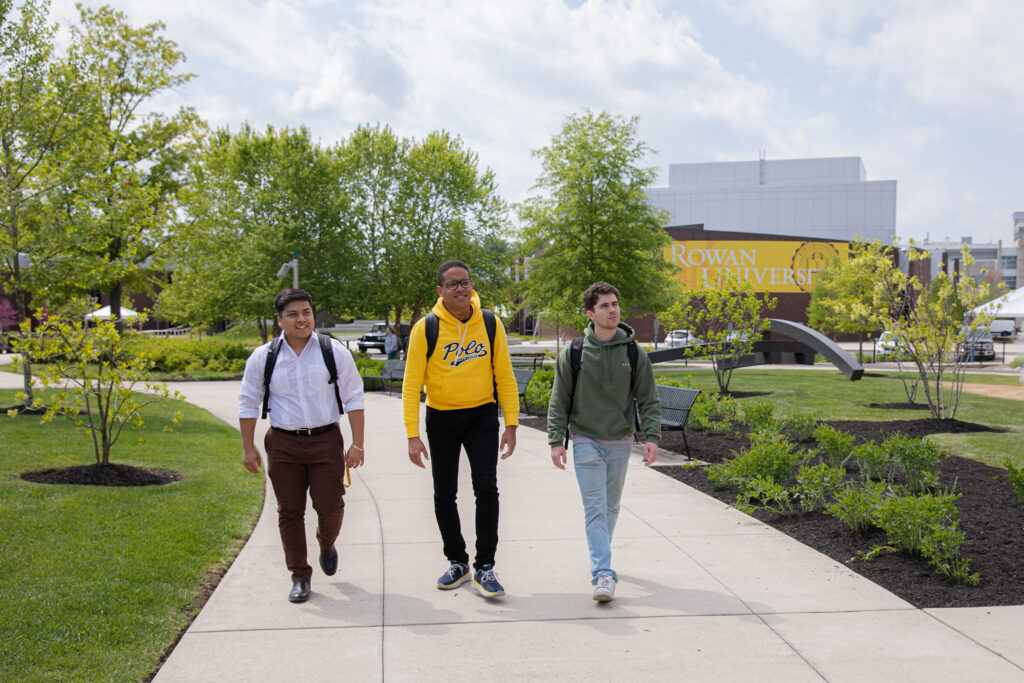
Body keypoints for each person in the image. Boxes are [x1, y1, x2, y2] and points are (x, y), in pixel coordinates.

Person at [238, 288, 366, 603]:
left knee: (330, 504)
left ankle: (326, 542)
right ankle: (299, 576)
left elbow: (354, 398)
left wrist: (358, 443)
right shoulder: (263, 357)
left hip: (325, 441)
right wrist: (248, 447)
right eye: (293, 314)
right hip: (282, 443)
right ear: (280, 320)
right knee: (289, 511)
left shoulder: (333, 352)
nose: (301, 319)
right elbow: (248, 402)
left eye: (306, 312)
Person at [402, 259, 519, 599]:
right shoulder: (426, 328)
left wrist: (511, 423)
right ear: (440, 290)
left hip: (482, 416)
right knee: (444, 493)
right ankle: (457, 561)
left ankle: (485, 566)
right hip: (441, 418)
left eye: (464, 282)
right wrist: (412, 434)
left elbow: (505, 377)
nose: (460, 289)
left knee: (487, 489)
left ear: (471, 286)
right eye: (452, 284)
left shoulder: (489, 323)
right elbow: (411, 385)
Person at [547, 281, 661, 603]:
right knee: (595, 508)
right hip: (585, 438)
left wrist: (651, 436)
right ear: (591, 314)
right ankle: (603, 573)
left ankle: (601, 557)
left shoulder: (633, 352)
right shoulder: (575, 352)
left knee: (610, 507)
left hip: (620, 440)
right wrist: (557, 440)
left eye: (615, 304)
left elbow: (648, 399)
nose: (612, 310)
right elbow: (559, 400)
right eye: (604, 306)